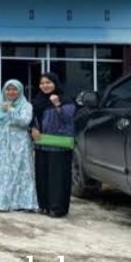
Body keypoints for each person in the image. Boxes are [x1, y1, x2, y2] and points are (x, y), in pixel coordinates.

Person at [0, 80, 38, 212]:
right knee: (1, 172)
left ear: (20, 91)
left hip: (19, 144)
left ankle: (20, 203)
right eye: (8, 89)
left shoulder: (26, 106)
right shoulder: (0, 106)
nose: (11, 92)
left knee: (18, 171)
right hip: (2, 145)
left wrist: (11, 110)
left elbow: (25, 121)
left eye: (14, 90)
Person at [31, 72, 76, 218]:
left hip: (58, 145)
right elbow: (32, 119)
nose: (45, 86)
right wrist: (32, 128)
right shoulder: (37, 101)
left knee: (58, 177)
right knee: (42, 175)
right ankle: (43, 205)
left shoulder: (66, 100)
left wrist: (57, 104)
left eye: (48, 82)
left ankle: (57, 208)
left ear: (55, 84)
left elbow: (67, 117)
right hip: (41, 144)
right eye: (42, 83)